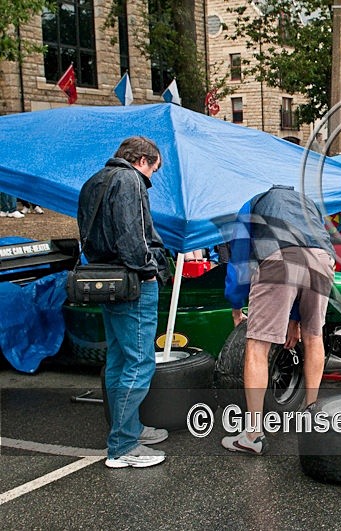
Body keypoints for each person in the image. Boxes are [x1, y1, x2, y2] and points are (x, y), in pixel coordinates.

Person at [77, 137, 171, 467]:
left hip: (105, 280)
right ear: (142, 160)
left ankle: (129, 429)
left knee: (119, 359)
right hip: (131, 281)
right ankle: (123, 446)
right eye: (152, 171)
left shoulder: (94, 181)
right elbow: (132, 234)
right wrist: (147, 270)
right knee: (139, 362)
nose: (151, 180)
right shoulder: (129, 179)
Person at [222, 184, 335, 454]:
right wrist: (294, 320)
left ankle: (252, 436)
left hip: (279, 258)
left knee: (257, 346)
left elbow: (239, 259)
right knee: (314, 336)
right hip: (323, 258)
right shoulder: (308, 203)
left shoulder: (253, 202)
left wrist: (236, 304)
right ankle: (312, 415)